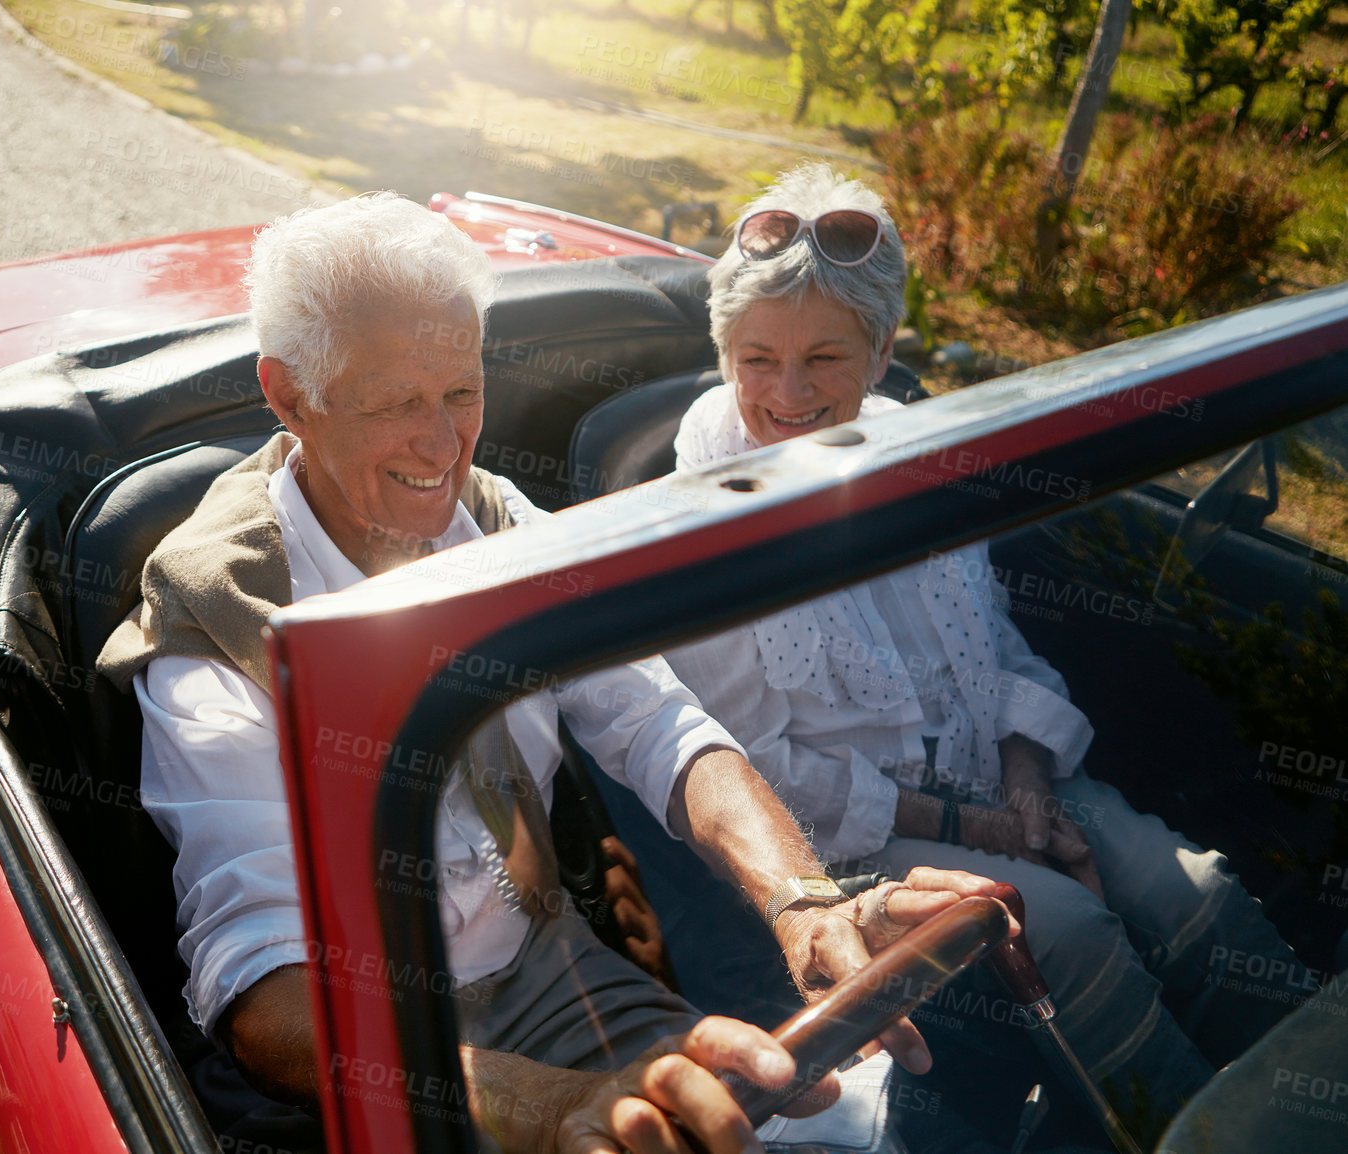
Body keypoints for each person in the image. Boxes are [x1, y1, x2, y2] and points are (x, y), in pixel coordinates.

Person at [96, 191, 1007, 1153]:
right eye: (399, 404)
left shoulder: (494, 516)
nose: (444, 448)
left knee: (831, 1131)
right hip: (372, 1052)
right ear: (289, 396)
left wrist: (805, 900)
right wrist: (544, 1109)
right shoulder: (218, 624)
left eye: (460, 393)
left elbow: (659, 723)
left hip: (556, 970)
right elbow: (262, 989)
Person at [655, 162, 1313, 1129]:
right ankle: (1199, 1134)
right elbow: (769, 778)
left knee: (1196, 894)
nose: (786, 394)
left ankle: (1310, 1108)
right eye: (756, 359)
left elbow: (997, 649)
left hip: (1002, 779)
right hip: (859, 836)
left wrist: (1028, 789)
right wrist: (986, 834)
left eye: (825, 360)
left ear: (880, 355)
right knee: (1073, 929)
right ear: (723, 353)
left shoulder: (915, 456)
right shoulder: (695, 525)